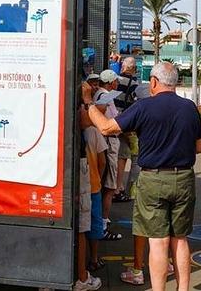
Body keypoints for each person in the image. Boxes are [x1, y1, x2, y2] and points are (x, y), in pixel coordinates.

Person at [82, 62, 201, 291]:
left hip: (154, 179)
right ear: (175, 82)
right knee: (180, 238)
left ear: (155, 82)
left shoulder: (144, 107)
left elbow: (108, 128)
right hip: (184, 178)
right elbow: (199, 147)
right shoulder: (190, 108)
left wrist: (89, 104)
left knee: (158, 241)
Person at [74, 107, 102, 291]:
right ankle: (82, 277)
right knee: (85, 227)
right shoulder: (90, 130)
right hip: (88, 182)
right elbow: (103, 160)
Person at [94, 69, 122, 241]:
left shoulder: (98, 93)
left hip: (104, 141)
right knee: (110, 186)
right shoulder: (105, 97)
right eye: (115, 81)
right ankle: (102, 225)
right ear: (111, 82)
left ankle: (101, 222)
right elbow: (112, 119)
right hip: (109, 141)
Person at [114, 57, 140, 202]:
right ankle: (129, 190)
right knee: (135, 157)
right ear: (134, 68)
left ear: (123, 67)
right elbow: (136, 101)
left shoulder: (115, 80)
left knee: (120, 156)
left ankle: (117, 187)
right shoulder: (133, 84)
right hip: (127, 125)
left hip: (114, 121)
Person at [83, 121, 108, 272]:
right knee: (94, 224)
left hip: (76, 188)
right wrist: (98, 177)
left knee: (81, 227)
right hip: (93, 185)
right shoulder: (93, 131)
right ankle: (93, 258)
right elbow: (103, 161)